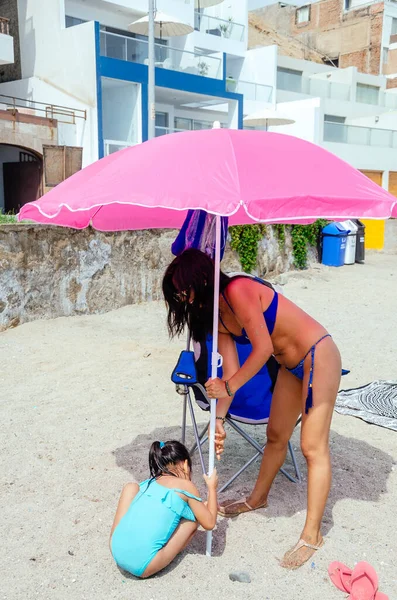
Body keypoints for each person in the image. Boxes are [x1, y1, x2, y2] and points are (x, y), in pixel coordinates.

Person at [162, 248, 342, 570]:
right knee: (275, 435)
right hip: (290, 366)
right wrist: (218, 420)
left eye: (183, 290)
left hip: (319, 354)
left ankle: (313, 534)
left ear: (201, 280)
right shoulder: (218, 321)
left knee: (311, 447)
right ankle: (258, 498)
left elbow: (263, 349)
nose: (183, 299)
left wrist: (228, 387)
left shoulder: (238, 290)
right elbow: (232, 372)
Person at [110, 440, 218, 578]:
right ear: (185, 464)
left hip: (115, 550)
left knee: (131, 487)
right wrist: (212, 488)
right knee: (193, 520)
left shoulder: (151, 482)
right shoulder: (186, 486)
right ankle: (167, 551)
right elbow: (209, 523)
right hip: (142, 565)